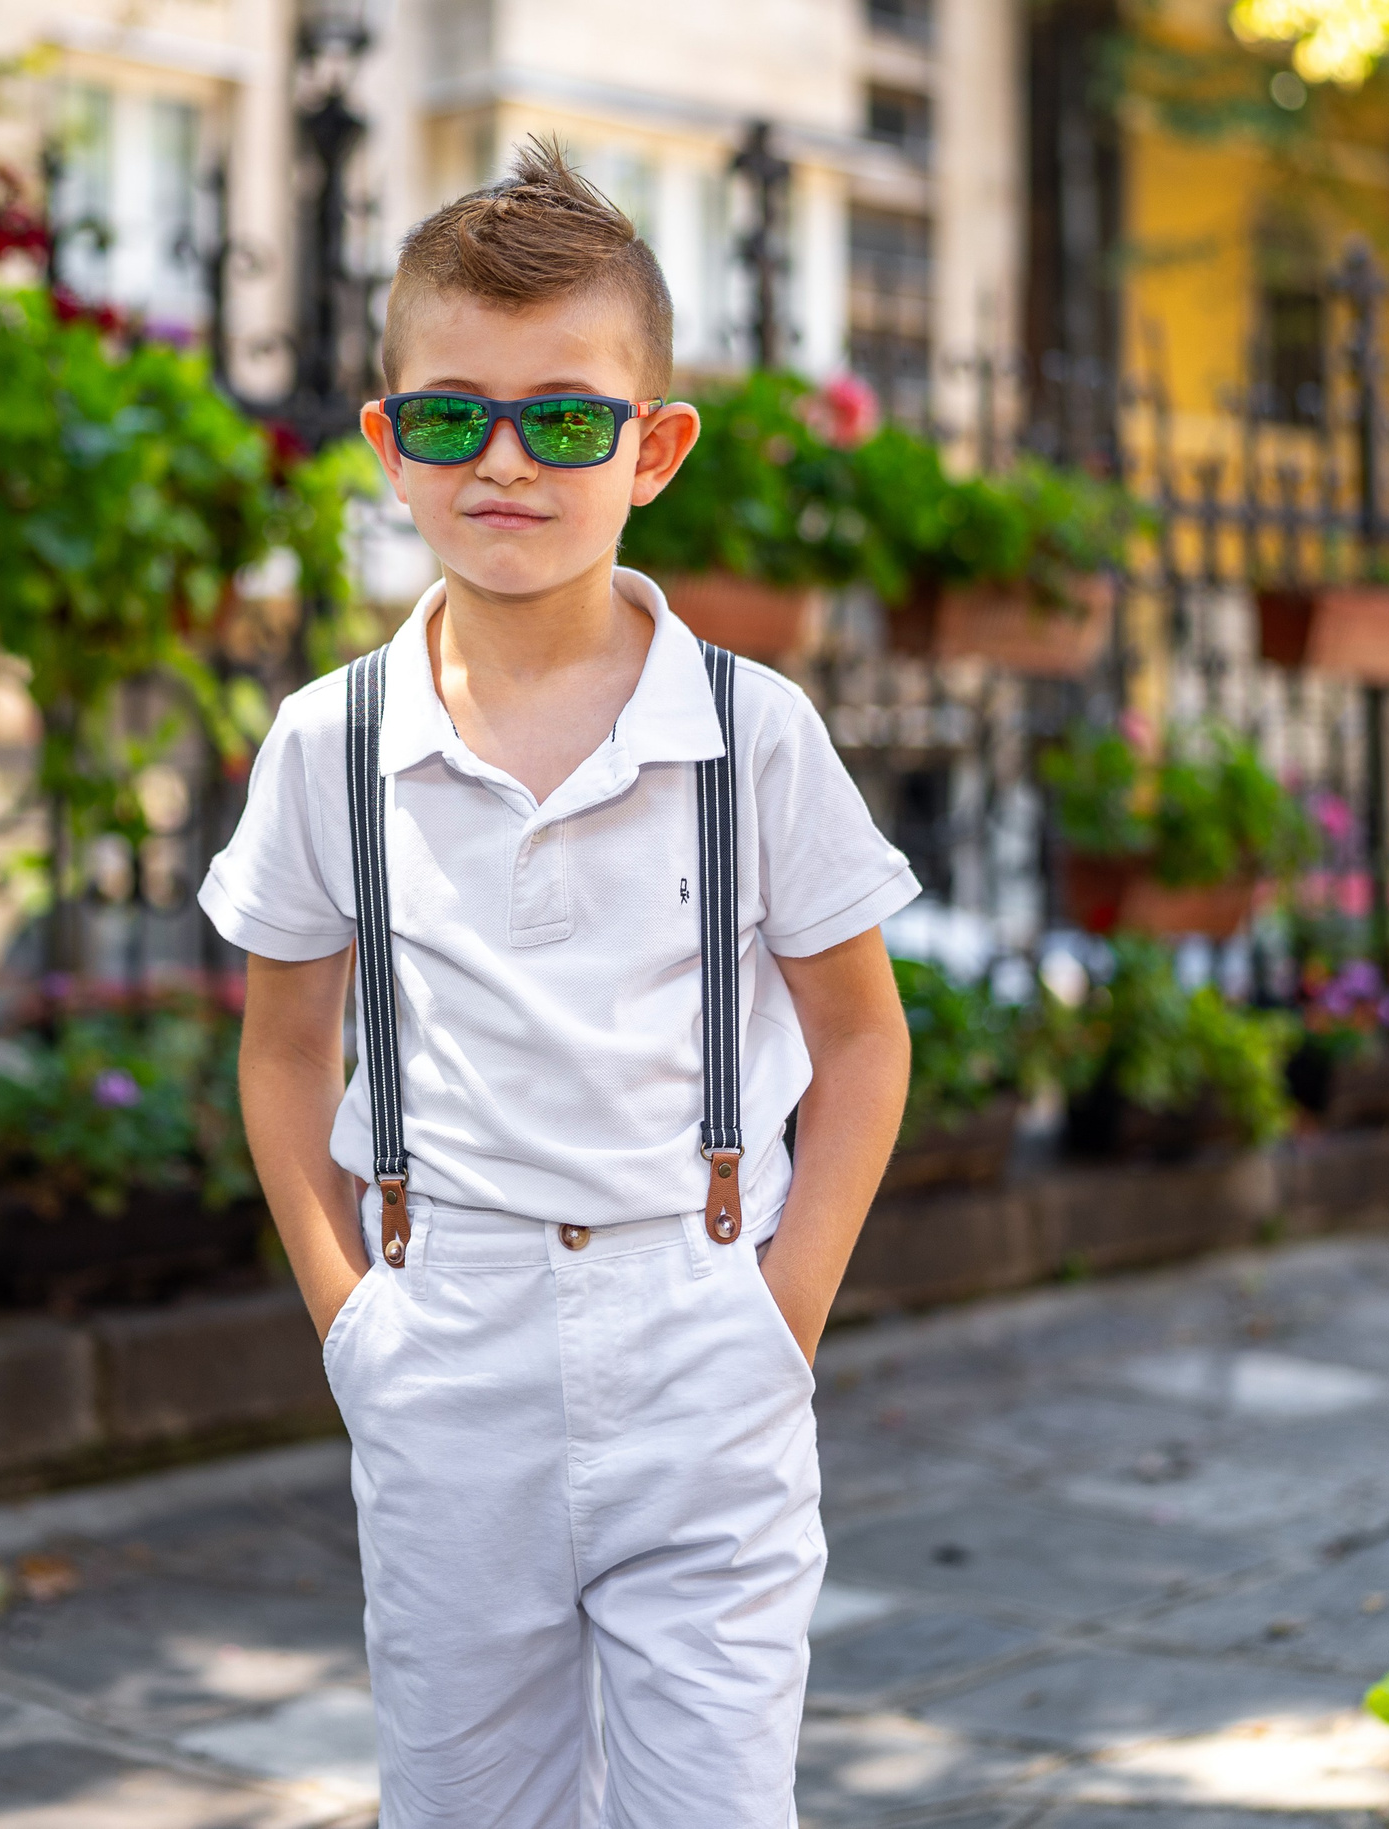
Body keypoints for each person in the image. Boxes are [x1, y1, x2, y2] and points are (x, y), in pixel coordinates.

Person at [200, 140, 917, 1828]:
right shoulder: (330, 741)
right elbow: (286, 1052)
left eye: (566, 421)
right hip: (446, 1340)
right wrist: (352, 1322)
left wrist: (781, 1317)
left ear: (652, 448)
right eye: (453, 417)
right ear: (389, 444)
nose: (506, 459)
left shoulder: (753, 733)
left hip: (702, 1325)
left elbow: (862, 1039)